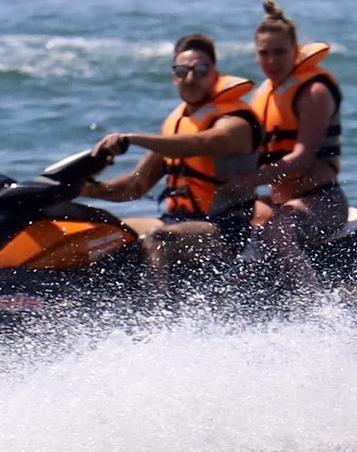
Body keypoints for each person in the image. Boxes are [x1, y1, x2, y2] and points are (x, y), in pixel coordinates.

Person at [80, 33, 265, 279]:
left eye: (200, 70)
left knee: (158, 239)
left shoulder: (236, 123)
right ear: (173, 77)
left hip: (225, 230)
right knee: (99, 232)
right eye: (182, 71)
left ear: (214, 74)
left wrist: (131, 139)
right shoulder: (176, 126)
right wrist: (78, 189)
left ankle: (160, 316)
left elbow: (200, 143)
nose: (190, 78)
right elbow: (133, 186)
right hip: (175, 221)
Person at [222, 0, 347, 290]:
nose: (272, 61)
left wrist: (247, 181)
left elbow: (302, 159)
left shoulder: (313, 92)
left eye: (280, 52)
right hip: (280, 202)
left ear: (295, 51)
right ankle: (226, 299)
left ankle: (315, 307)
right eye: (264, 53)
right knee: (225, 220)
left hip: (322, 201)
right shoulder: (265, 94)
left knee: (277, 230)